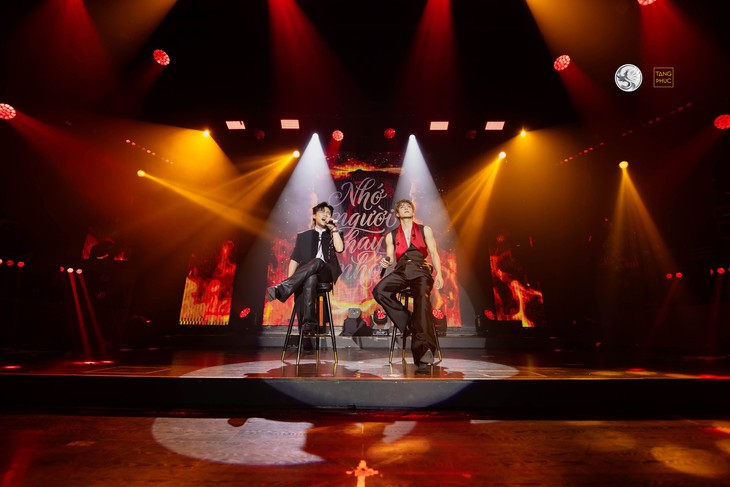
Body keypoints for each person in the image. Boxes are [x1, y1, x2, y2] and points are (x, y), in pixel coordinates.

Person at [373, 199, 443, 371]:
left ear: (412, 211)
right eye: (402, 207)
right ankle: (410, 322)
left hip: (421, 270)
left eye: (408, 207)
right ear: (397, 214)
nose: (406, 208)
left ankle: (424, 354)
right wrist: (386, 261)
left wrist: (439, 274)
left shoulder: (424, 230)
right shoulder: (391, 235)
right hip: (402, 271)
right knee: (379, 291)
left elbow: (433, 252)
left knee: (422, 302)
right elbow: (391, 257)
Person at [266, 202, 344, 335]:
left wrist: (334, 229)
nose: (326, 215)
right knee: (311, 278)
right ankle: (308, 325)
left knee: (318, 261)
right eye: (322, 212)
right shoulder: (304, 236)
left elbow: (340, 249)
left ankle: (282, 288)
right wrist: (292, 280)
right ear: (314, 216)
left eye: (328, 213)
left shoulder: (334, 233)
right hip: (308, 274)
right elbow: (295, 259)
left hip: (326, 273)